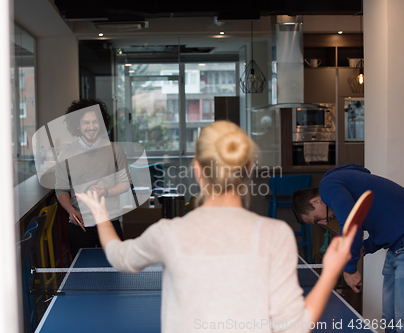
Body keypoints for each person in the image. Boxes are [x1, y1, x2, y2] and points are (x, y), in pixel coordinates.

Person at [76, 120, 356, 333]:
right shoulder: (276, 235)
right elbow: (295, 325)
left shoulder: (169, 233)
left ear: (198, 170)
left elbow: (118, 256)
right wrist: (331, 270)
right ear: (248, 169)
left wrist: (100, 211)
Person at [292, 163, 404, 332]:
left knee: (401, 320)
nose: (324, 222)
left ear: (316, 201)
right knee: (389, 320)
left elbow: (352, 225)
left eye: (317, 219)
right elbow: (383, 229)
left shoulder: (328, 186)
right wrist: (364, 249)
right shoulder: (346, 186)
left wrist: (350, 269)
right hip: (396, 247)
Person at [55, 98, 130, 258]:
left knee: (116, 274)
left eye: (95, 122)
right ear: (77, 125)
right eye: (86, 122)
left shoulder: (116, 150)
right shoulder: (65, 155)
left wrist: (107, 191)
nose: (91, 127)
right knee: (82, 277)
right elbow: (61, 189)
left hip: (110, 222)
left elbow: (125, 183)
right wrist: (71, 211)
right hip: (80, 224)